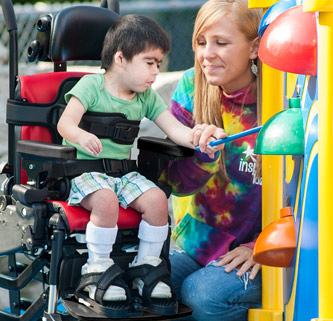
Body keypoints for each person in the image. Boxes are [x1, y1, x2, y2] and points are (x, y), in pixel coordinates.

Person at [57, 14, 225, 316]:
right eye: (150, 63)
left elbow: (175, 130)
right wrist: (81, 136)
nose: (156, 72)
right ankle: (97, 267)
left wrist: (201, 136)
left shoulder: (145, 97)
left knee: (157, 200)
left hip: (122, 174)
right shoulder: (91, 86)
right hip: (85, 173)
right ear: (121, 58)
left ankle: (147, 265)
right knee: (106, 201)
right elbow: (65, 123)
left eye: (159, 64)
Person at [160, 0, 263, 320]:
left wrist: (265, 246)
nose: (207, 54)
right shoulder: (192, 87)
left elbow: (306, 190)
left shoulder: (278, 94)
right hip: (197, 241)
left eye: (221, 43)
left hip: (257, 247)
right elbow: (173, 183)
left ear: (254, 47)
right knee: (146, 286)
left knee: (201, 295)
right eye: (201, 43)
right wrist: (203, 157)